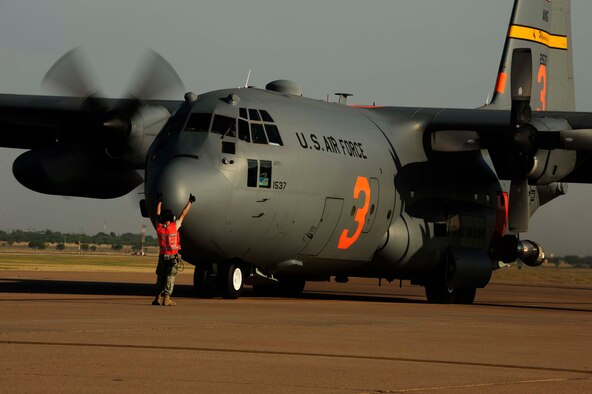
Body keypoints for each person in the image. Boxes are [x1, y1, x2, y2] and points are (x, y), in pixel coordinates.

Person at [152, 193, 196, 306]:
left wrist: (159, 202)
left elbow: (157, 215)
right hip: (173, 256)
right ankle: (166, 298)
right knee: (170, 277)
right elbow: (183, 214)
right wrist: (189, 202)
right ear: (171, 218)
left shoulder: (159, 227)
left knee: (160, 276)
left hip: (162, 255)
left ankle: (157, 298)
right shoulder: (174, 226)